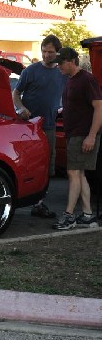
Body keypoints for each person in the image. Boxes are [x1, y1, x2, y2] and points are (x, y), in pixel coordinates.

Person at [12, 34, 65, 218]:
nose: (46, 55)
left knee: (48, 164)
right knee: (26, 162)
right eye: (44, 51)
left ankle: (39, 203)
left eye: (50, 52)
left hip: (49, 126)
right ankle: (19, 199)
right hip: (28, 126)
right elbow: (16, 93)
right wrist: (22, 108)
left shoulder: (62, 73)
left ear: (58, 53)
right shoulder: (31, 71)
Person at [52, 47, 102, 230]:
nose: (59, 67)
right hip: (74, 133)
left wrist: (91, 136)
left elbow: (99, 108)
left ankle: (69, 215)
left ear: (72, 61)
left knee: (73, 173)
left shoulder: (87, 80)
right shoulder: (71, 80)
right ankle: (88, 215)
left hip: (83, 134)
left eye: (61, 63)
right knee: (79, 174)